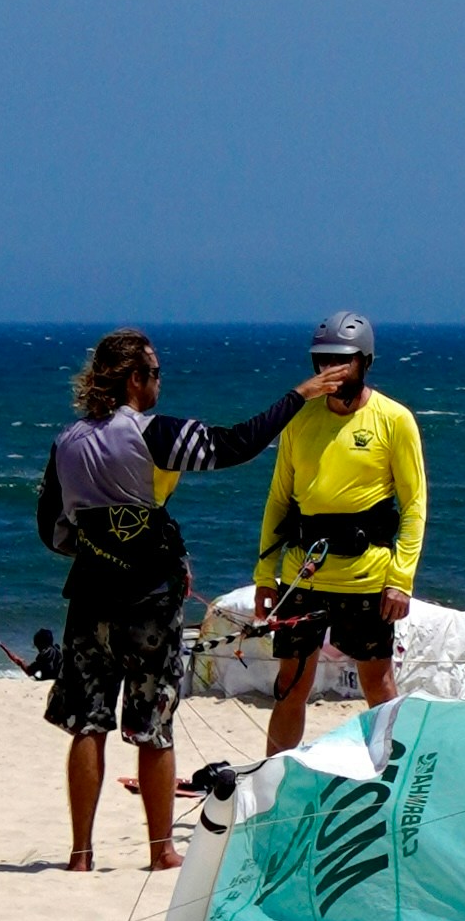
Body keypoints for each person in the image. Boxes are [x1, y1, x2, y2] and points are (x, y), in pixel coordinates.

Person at [37, 331, 306, 871]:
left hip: (88, 598)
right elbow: (235, 445)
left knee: (88, 724)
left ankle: (81, 855)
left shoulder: (66, 442)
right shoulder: (150, 434)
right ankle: (162, 851)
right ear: (134, 380)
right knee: (152, 724)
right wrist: (299, 396)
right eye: (155, 373)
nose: (161, 381)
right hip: (150, 602)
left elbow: (51, 529)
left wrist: (98, 547)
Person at [250, 312, 429, 755]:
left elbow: (414, 504)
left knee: (377, 684)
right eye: (322, 360)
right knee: (289, 685)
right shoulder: (299, 419)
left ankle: (391, 777)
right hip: (303, 575)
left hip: (367, 577)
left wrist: (400, 579)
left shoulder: (394, 420)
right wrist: (263, 574)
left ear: (364, 361)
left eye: (341, 361)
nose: (329, 370)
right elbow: (278, 500)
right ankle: (276, 786)